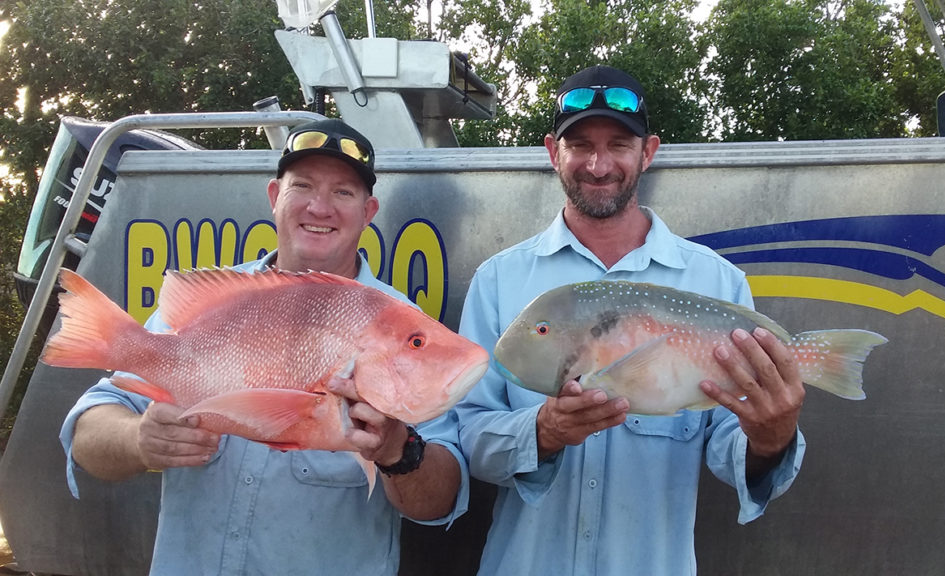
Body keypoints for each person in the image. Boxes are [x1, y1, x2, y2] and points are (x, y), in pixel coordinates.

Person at [59, 118, 469, 575]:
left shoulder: (402, 326)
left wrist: (399, 451)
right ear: (276, 197)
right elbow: (87, 433)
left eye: (343, 192)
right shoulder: (222, 302)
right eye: (303, 186)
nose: (320, 206)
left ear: (368, 211)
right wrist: (139, 439)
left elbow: (441, 497)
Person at [455, 65, 807, 575]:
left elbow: (730, 444)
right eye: (580, 146)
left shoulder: (717, 282)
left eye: (619, 144)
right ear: (554, 152)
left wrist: (772, 437)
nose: (599, 165)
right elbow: (469, 440)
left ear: (649, 152)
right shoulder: (498, 280)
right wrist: (544, 431)